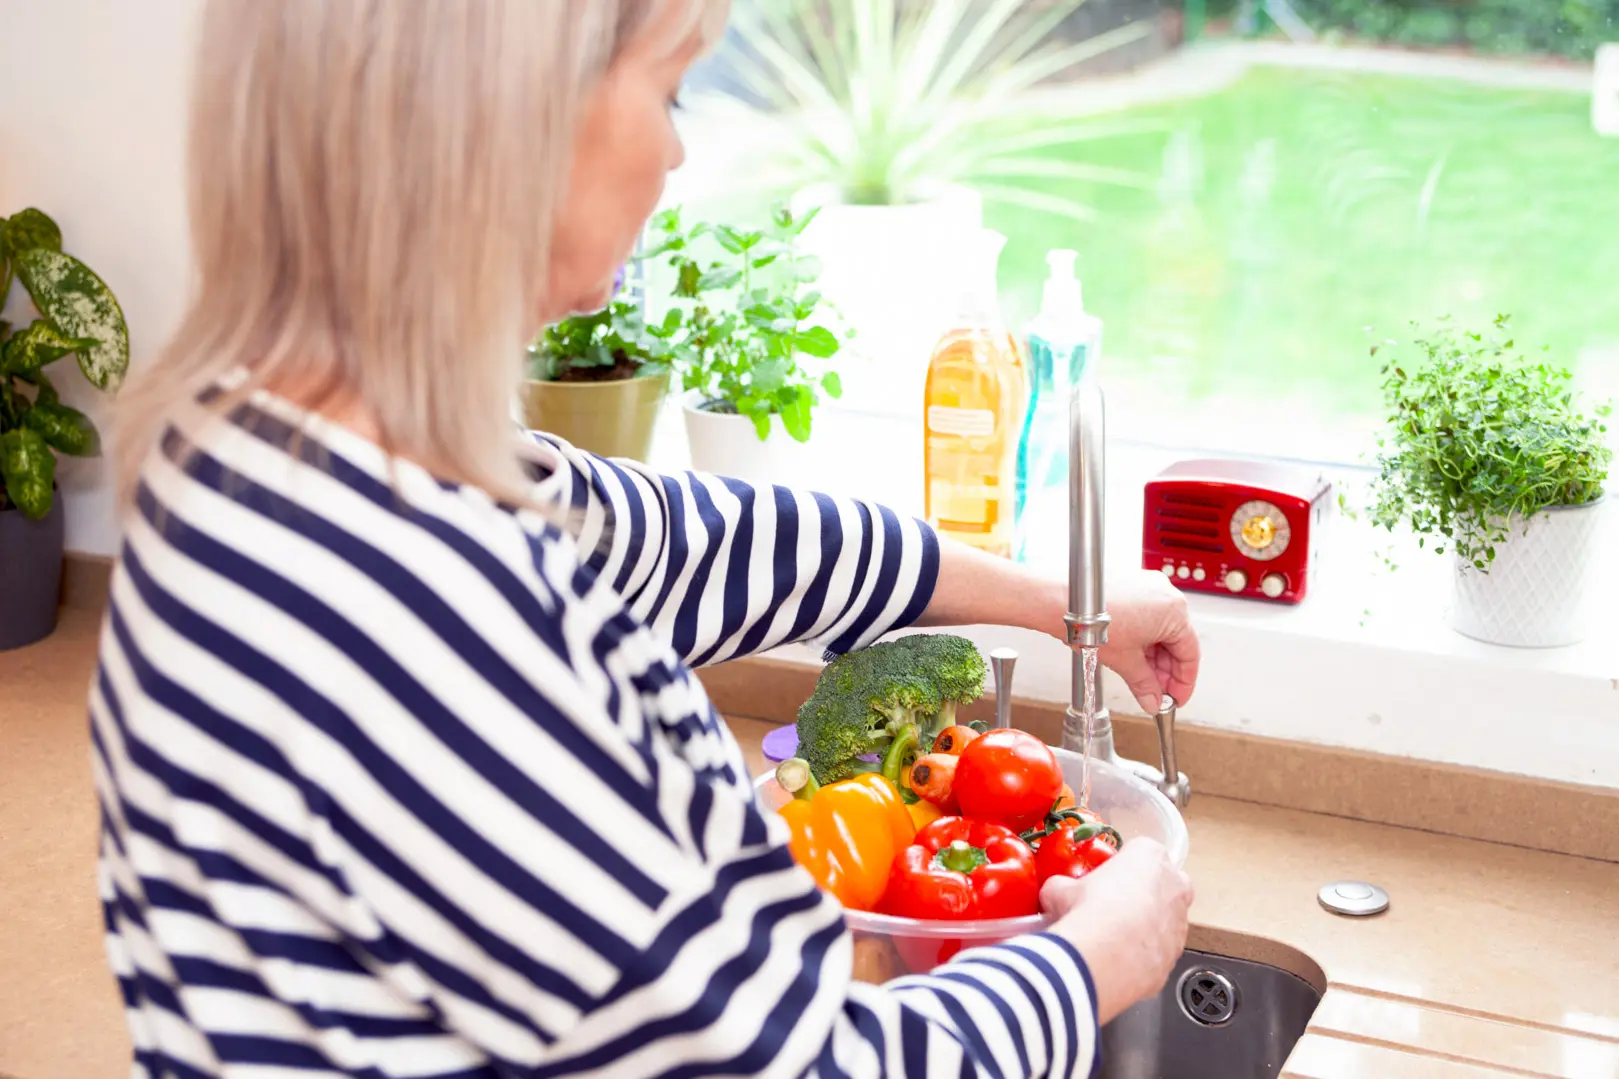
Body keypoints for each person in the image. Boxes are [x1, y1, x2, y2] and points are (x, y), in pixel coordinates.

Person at [95, 3, 1197, 1078]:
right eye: (669, 87)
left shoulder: (259, 449)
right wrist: (1087, 961)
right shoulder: (423, 606)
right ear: (505, 117)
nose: (677, 148)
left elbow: (687, 542)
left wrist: (1053, 600)